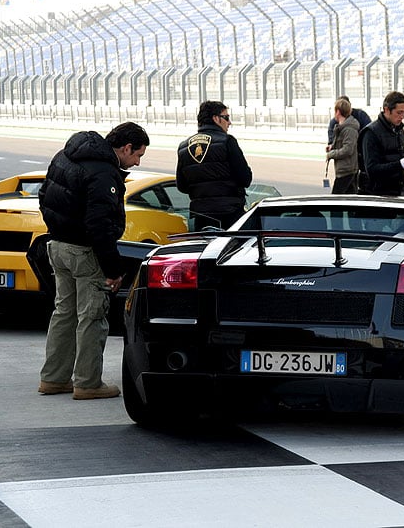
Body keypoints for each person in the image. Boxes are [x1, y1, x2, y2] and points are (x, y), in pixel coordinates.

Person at [38, 122, 150, 400]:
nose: (136, 162)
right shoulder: (103, 173)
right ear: (126, 148)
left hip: (57, 245)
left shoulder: (65, 155)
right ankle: (88, 383)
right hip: (85, 252)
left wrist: (61, 229)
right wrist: (113, 270)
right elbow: (99, 226)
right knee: (92, 316)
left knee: (63, 313)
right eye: (137, 155)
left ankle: (53, 378)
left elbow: (44, 196)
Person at [176, 101, 253, 230]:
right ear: (216, 119)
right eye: (226, 118)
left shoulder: (184, 147)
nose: (229, 123)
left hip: (201, 217)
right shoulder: (227, 141)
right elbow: (245, 178)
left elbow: (182, 186)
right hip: (230, 214)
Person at [358, 91, 404, 196]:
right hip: (375, 194)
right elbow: (372, 169)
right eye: (399, 112)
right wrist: (402, 164)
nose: (402, 117)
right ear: (387, 110)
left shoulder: (398, 129)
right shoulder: (371, 133)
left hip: (395, 190)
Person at [325, 97, 360, 194]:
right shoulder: (343, 127)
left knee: (336, 201)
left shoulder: (349, 129)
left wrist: (331, 154)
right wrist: (333, 146)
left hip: (347, 170)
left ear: (338, 112)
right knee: (350, 200)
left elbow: (348, 149)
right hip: (346, 169)